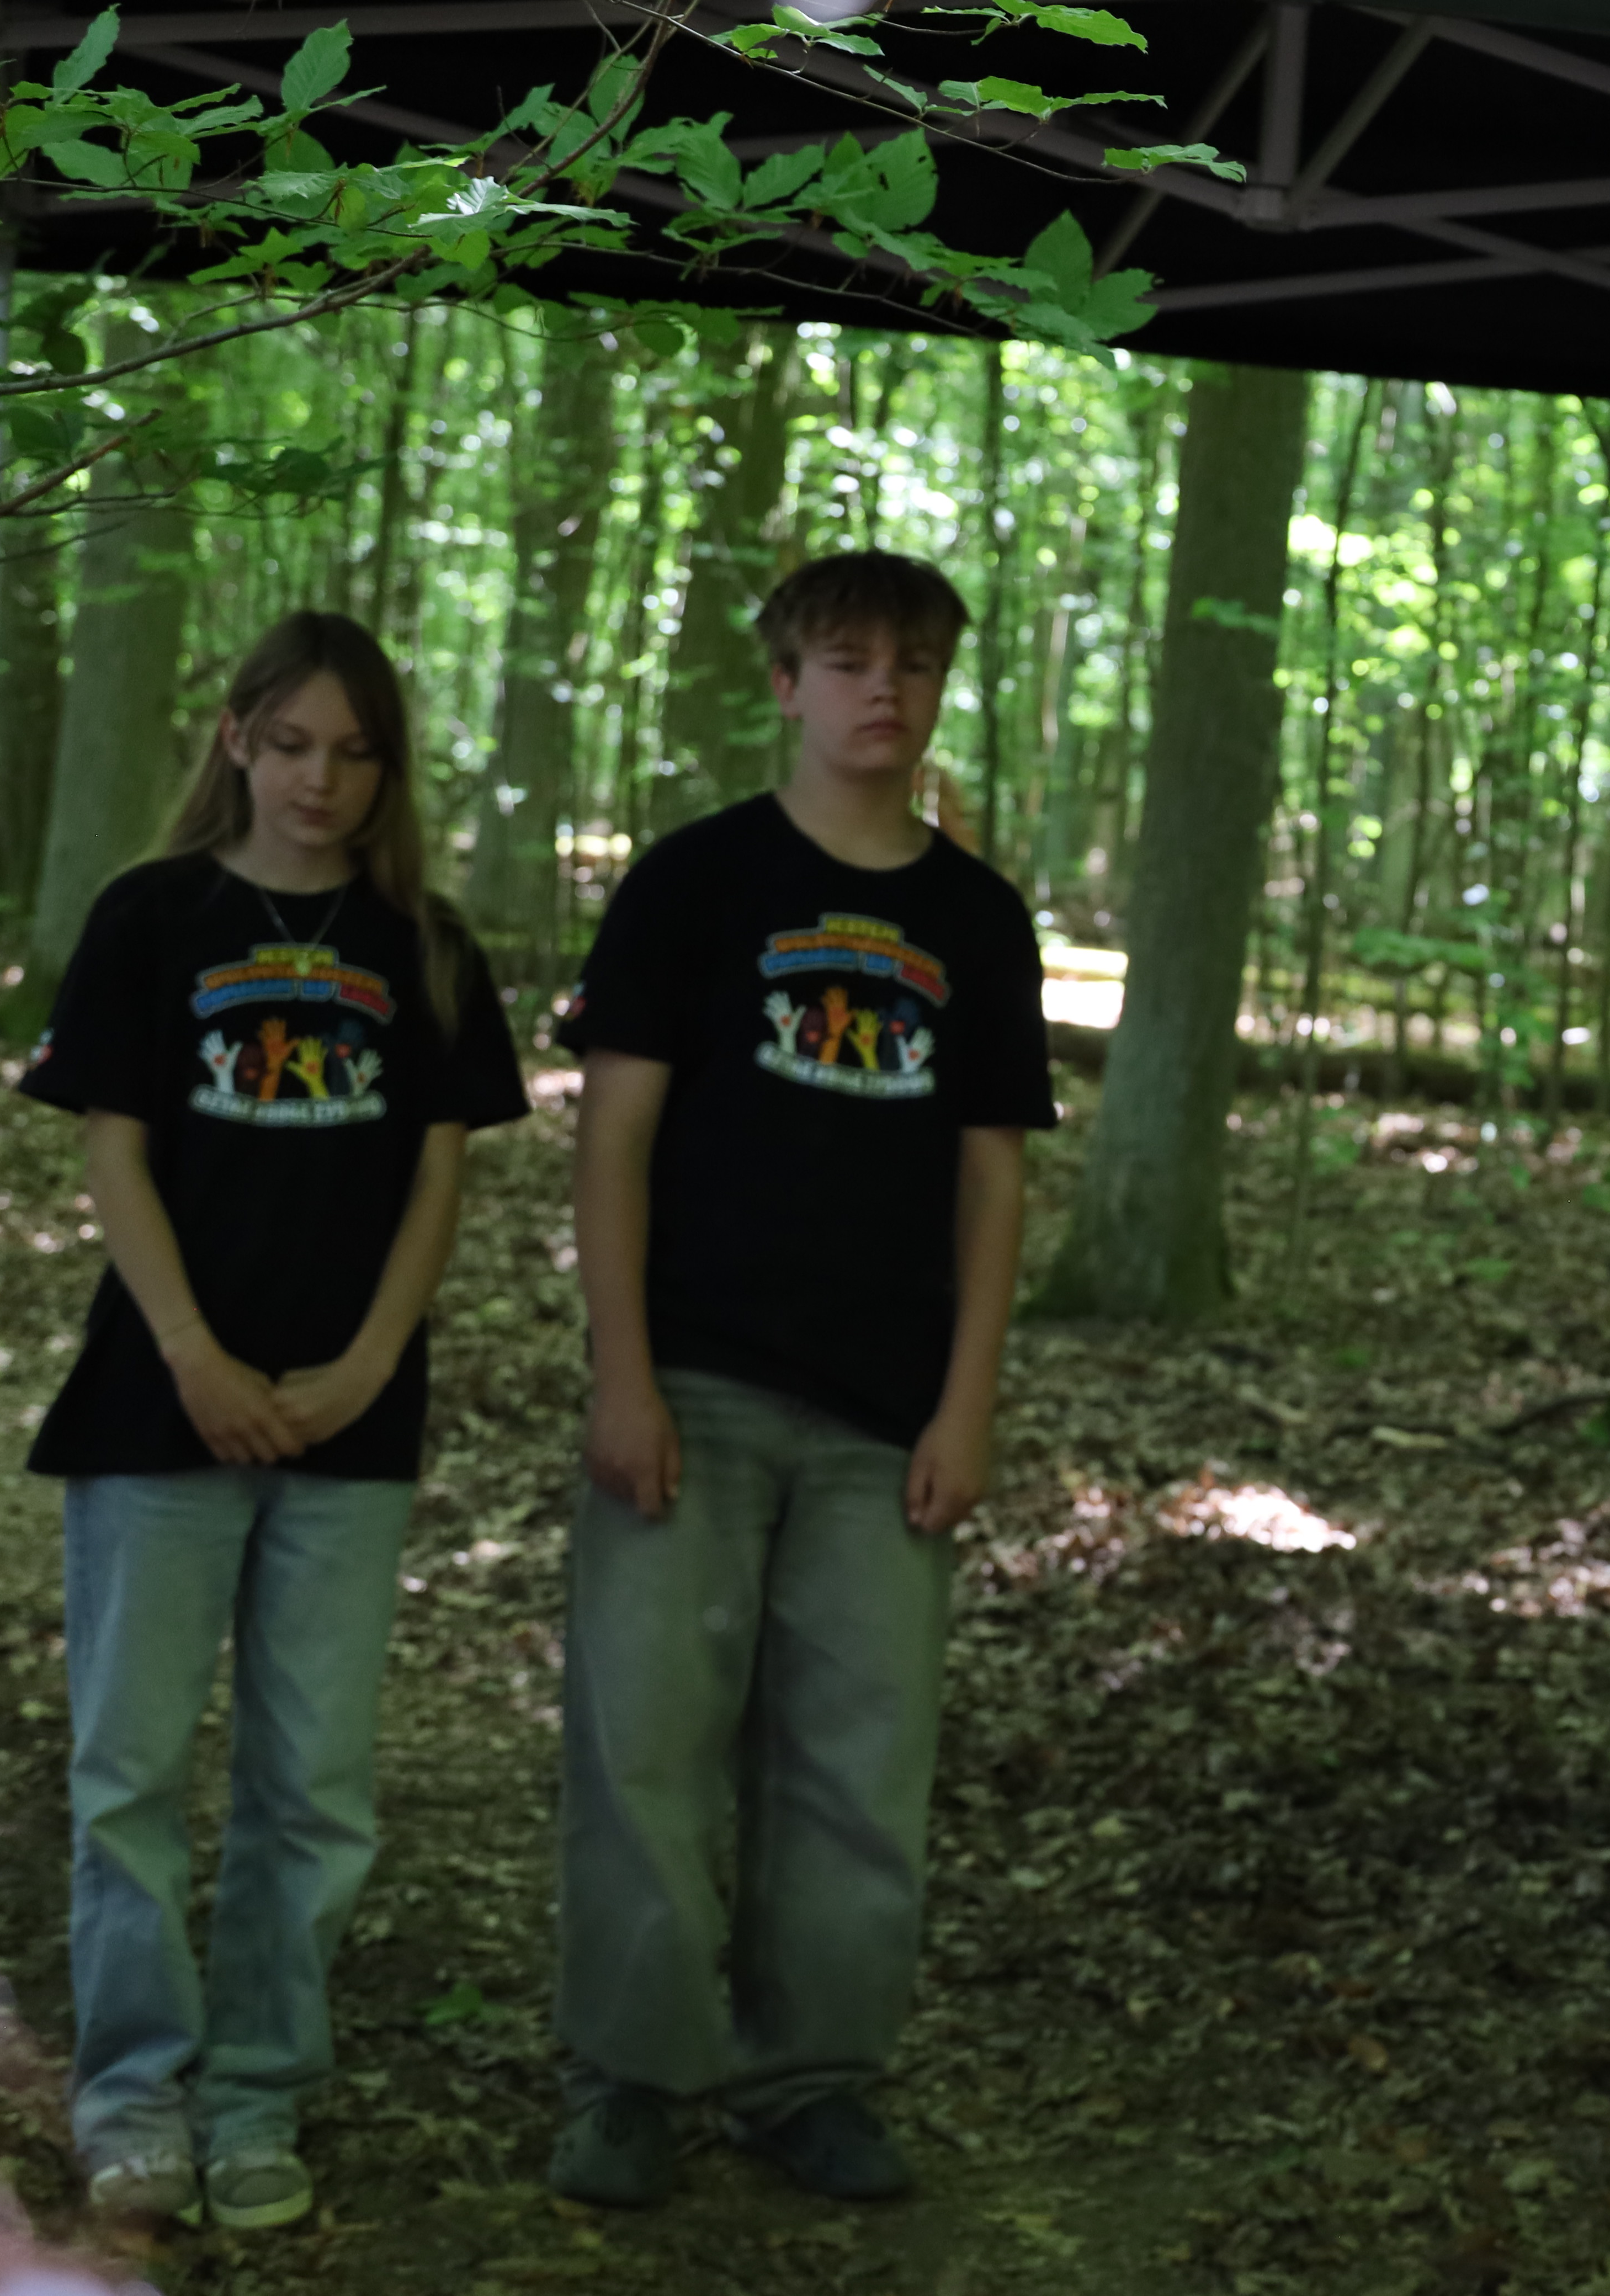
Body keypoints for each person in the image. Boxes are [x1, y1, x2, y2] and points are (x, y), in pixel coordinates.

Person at [543, 551, 1054, 2208]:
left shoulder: (976, 918)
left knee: (857, 1762)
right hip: (694, 1380)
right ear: (785, 685)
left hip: (884, 1416)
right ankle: (633, 2077)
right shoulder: (697, 881)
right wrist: (623, 1373)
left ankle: (812, 2078)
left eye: (913, 665)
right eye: (846, 662)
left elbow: (993, 1176)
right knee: (647, 1747)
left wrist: (967, 1404)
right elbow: (614, 1137)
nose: (882, 691)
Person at [18, 612, 529, 2232]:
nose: (323, 779)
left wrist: (371, 1362)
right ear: (238, 738)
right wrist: (192, 1353)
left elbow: (439, 1172)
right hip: (161, 1406)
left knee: (314, 1784)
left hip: (347, 1422)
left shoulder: (426, 947)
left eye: (356, 752)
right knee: (130, 1774)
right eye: (294, 743)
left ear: (388, 768)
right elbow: (112, 1146)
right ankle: (132, 2095)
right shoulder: (152, 914)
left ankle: (256, 2094)